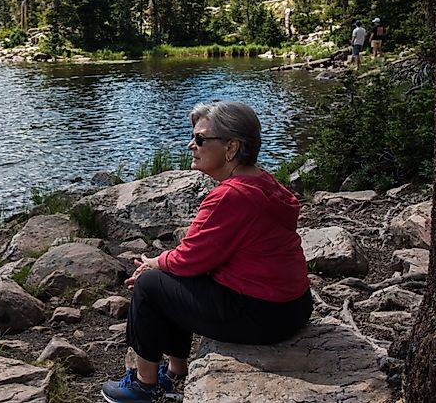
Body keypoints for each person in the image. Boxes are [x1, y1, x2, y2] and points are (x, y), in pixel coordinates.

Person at [101, 101, 313, 403]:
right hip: (294, 305)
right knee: (171, 277)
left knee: (150, 285)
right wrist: (164, 265)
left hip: (264, 315)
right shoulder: (263, 182)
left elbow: (187, 260)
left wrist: (153, 263)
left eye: (200, 139)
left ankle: (144, 387)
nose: (191, 145)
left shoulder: (231, 196)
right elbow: (199, 257)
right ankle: (175, 371)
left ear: (231, 148)